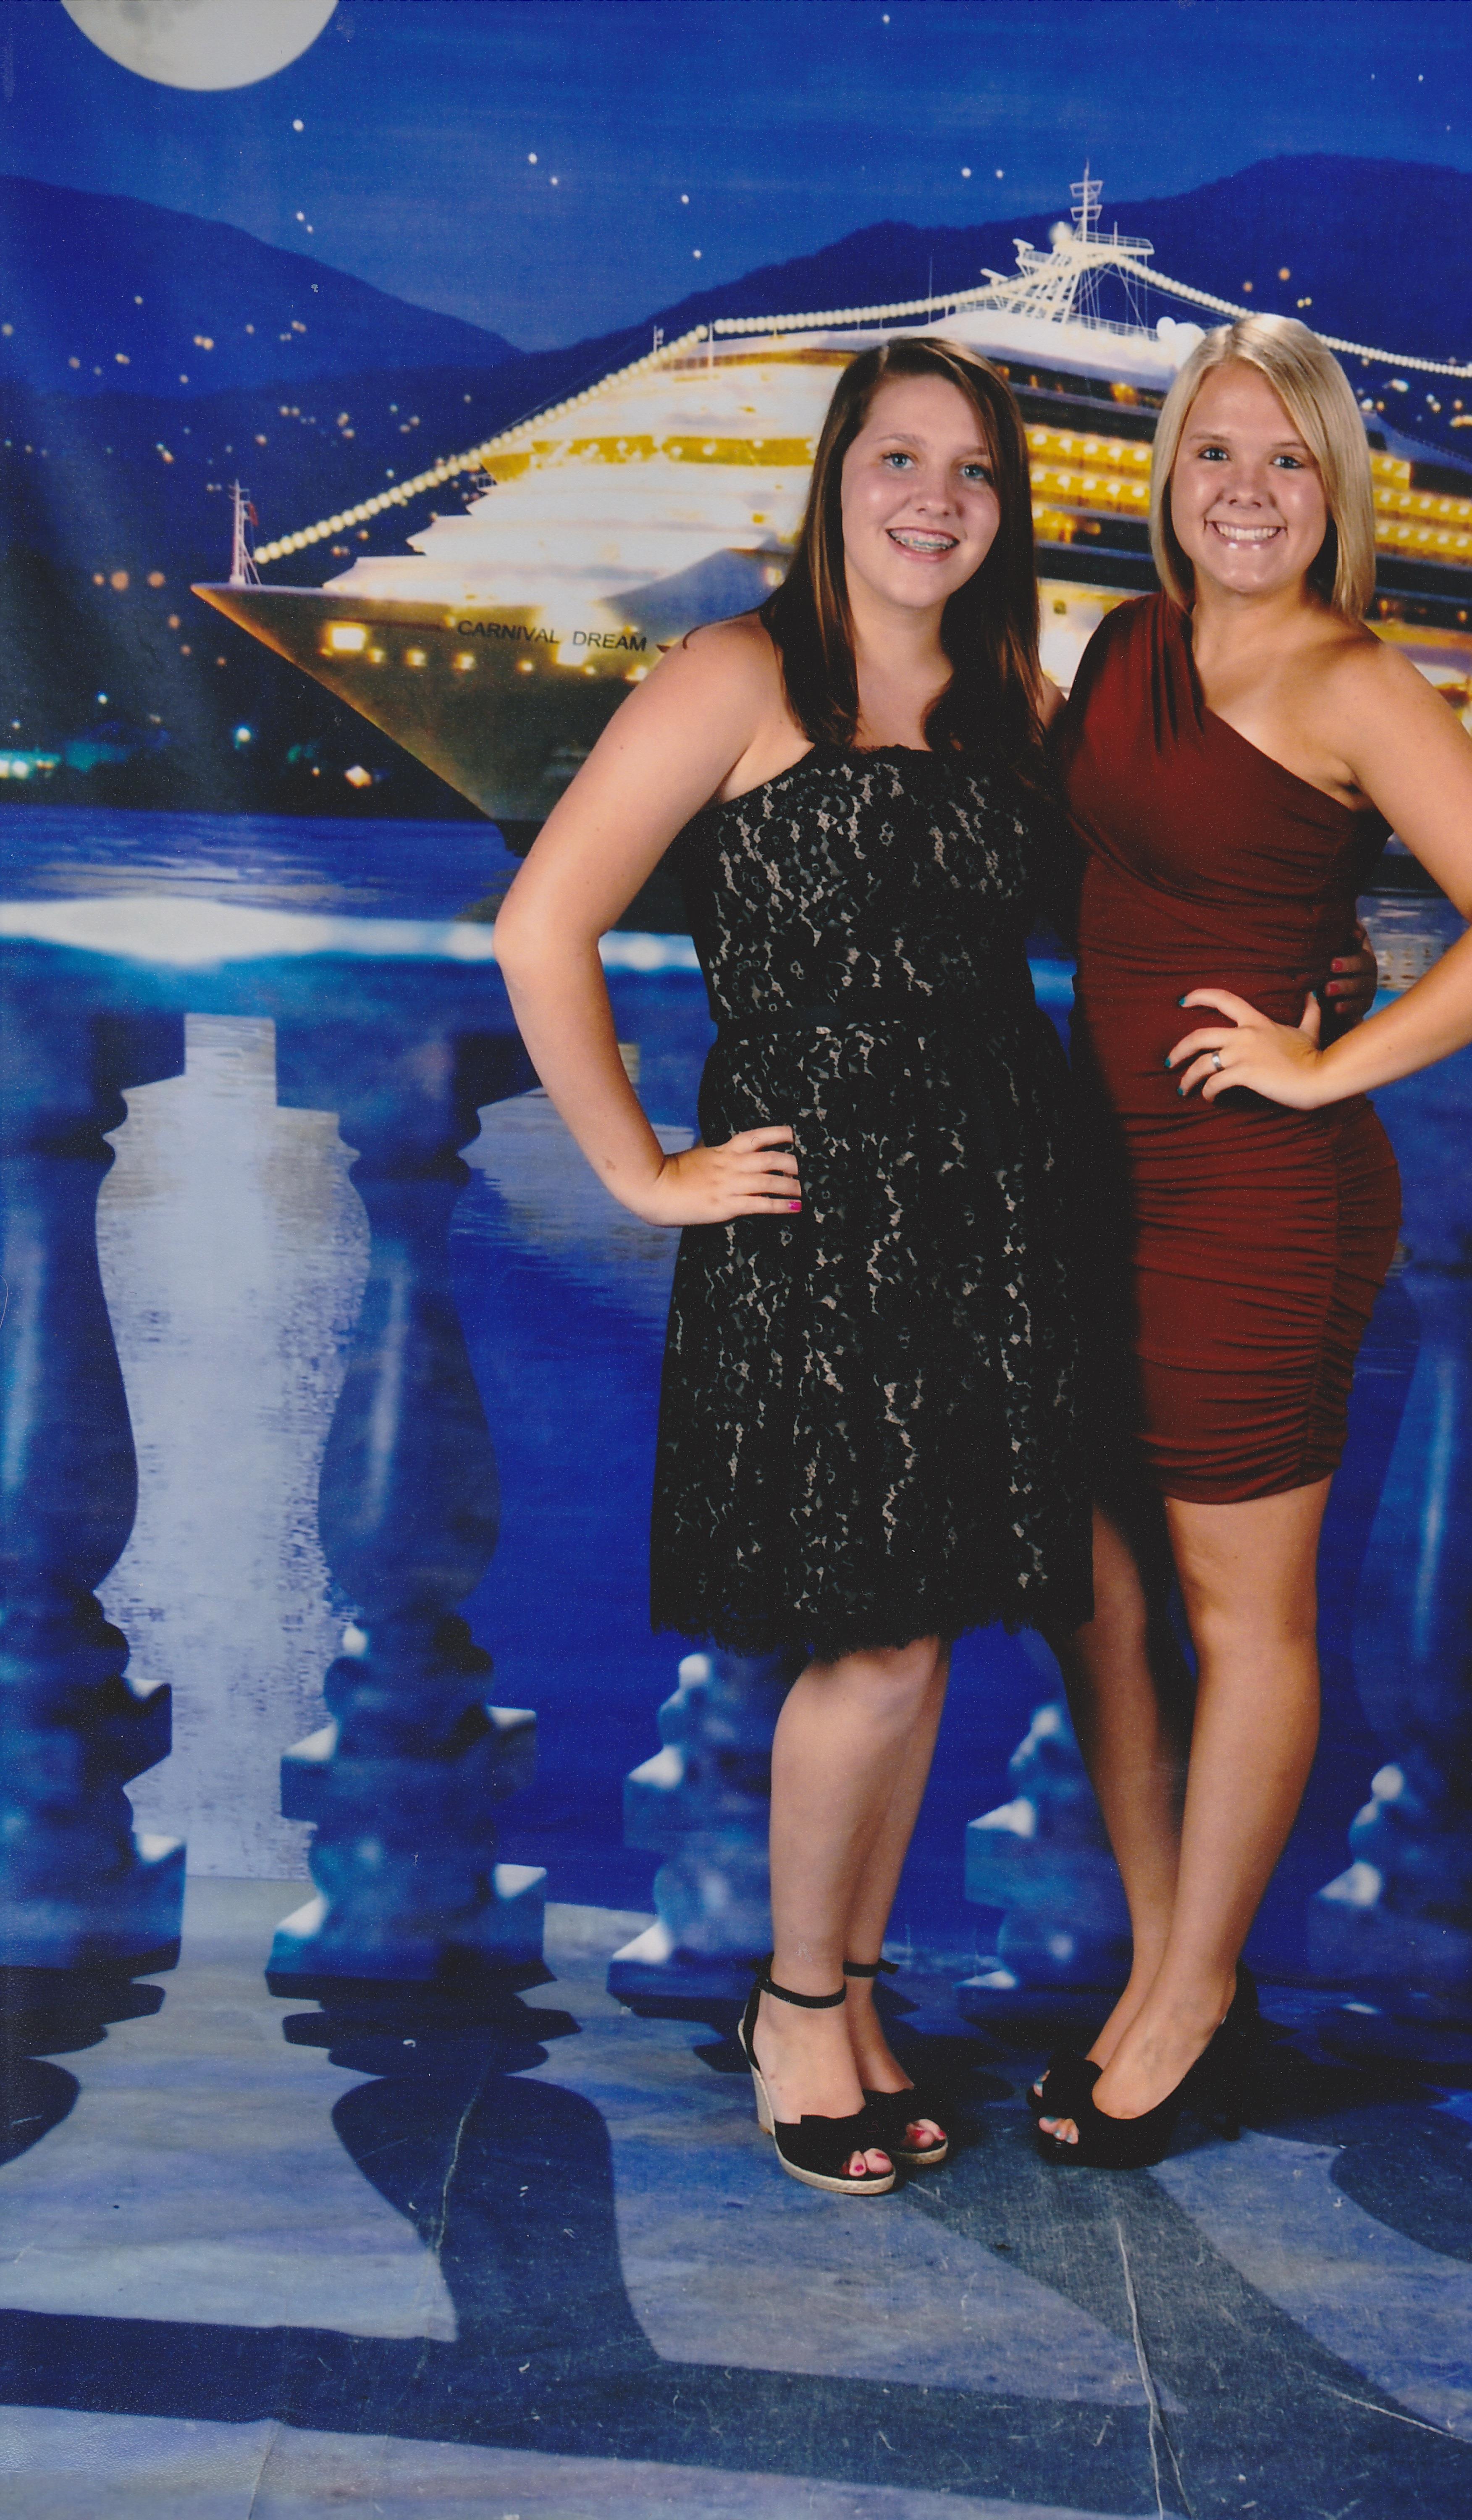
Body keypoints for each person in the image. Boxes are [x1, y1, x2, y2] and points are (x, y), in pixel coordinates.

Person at [494, 336, 1090, 2197]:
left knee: (922, 1632)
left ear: (1004, 511)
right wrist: (638, 1171)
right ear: (836, 479)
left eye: (975, 471)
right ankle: (800, 2004)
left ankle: (848, 1995)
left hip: (993, 1205)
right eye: (900, 458)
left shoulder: (1010, 697)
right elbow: (543, 925)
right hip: (822, 1220)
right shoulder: (738, 672)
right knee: (879, 1634)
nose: (937, 498)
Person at [1036, 315, 1472, 2166]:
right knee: (1099, 1595)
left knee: (1238, 1613)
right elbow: (1106, 865)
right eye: (1216, 453)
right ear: (1169, 477)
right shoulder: (1126, 646)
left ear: (1334, 490)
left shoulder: (1354, 680)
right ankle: (1166, 1965)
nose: (1248, 492)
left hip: (1256, 1197)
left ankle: (1190, 2006)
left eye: (1287, 461)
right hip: (1099, 1177)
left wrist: (1332, 1058)